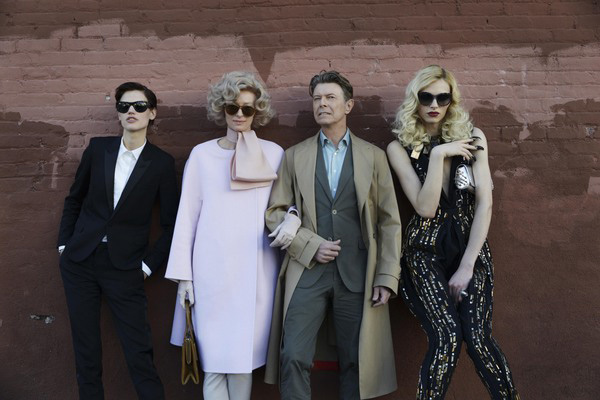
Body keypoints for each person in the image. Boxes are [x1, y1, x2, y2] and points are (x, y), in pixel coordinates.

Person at [264, 70, 402, 400]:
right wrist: (309, 245)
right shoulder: (295, 156)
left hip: (358, 273)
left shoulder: (374, 156)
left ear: (348, 105)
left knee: (356, 361)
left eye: (330, 98)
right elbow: (275, 213)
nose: (322, 104)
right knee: (293, 355)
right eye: (317, 99)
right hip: (306, 272)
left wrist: (386, 276)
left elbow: (390, 222)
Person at [386, 65, 519, 400]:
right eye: (426, 97)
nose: (434, 105)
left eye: (442, 98)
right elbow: (425, 208)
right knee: (445, 336)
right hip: (424, 252)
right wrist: (439, 154)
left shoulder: (474, 138)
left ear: (451, 100)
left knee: (478, 338)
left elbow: (485, 204)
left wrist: (467, 265)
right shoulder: (398, 147)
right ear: (415, 100)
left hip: (469, 249)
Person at [165, 71, 284, 400]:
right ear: (222, 109)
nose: (239, 115)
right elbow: (186, 217)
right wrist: (184, 278)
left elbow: (286, 203)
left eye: (247, 108)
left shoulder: (274, 154)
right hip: (210, 273)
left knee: (243, 360)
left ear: (257, 111)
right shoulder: (202, 155)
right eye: (232, 107)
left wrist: (291, 218)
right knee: (214, 362)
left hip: (256, 272)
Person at [57, 82, 178, 399]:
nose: (131, 111)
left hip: (126, 268)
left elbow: (171, 224)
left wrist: (147, 267)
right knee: (86, 351)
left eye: (139, 106)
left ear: (152, 113)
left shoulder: (161, 163)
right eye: (124, 106)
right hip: (80, 261)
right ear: (118, 113)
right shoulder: (98, 150)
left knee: (139, 352)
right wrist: (64, 246)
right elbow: (74, 199)